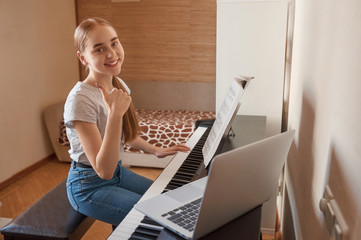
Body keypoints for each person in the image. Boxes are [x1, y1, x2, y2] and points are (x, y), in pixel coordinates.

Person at [64, 17, 190, 226]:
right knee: (156, 217)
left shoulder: (118, 83)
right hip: (88, 186)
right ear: (82, 58)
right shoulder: (80, 100)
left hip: (117, 172)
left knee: (168, 200)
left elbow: (126, 135)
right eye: (99, 49)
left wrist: (154, 149)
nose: (112, 54)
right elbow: (103, 171)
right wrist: (114, 114)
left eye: (114, 43)